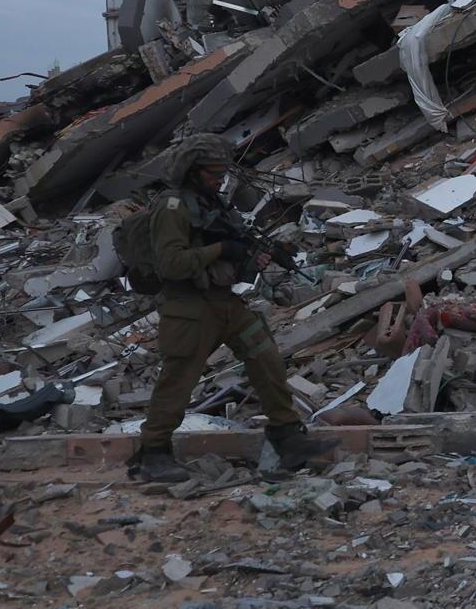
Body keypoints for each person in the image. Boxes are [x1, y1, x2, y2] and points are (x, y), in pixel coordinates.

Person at [133, 135, 332, 482]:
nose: (219, 179)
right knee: (178, 382)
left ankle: (287, 436)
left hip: (226, 303)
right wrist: (223, 249)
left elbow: (234, 255)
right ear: (192, 172)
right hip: (190, 308)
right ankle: (153, 453)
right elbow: (171, 264)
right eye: (212, 173)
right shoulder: (172, 208)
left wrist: (253, 256)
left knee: (266, 357)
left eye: (222, 173)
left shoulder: (211, 204)